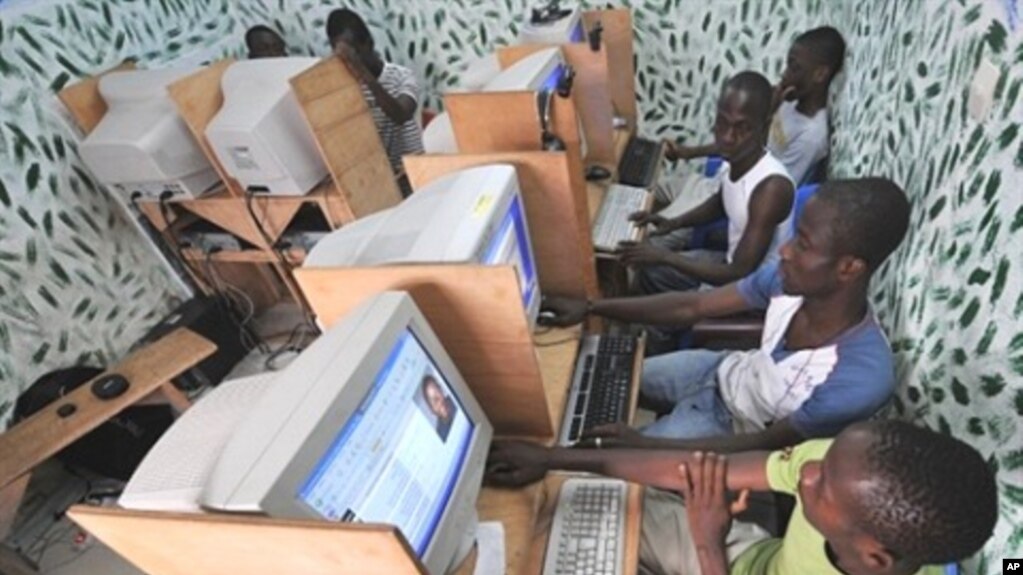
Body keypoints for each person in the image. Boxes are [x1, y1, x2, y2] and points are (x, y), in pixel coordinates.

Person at [544, 178, 910, 452]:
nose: (783, 250)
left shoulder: (860, 378)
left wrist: (643, 445)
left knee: (613, 455)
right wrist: (591, 307)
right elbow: (693, 306)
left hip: (735, 430)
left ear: (848, 268)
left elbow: (765, 446)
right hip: (719, 371)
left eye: (803, 244)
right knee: (593, 378)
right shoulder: (788, 281)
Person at [486, 420, 998, 575]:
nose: (809, 469)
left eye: (822, 485)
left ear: (874, 556)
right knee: (574, 505)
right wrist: (551, 457)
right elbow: (701, 470)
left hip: (719, 555)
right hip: (741, 556)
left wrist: (709, 544)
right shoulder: (840, 465)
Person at [623, 71, 794, 297]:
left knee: (657, 273)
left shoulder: (771, 188)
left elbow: (738, 273)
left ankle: (661, 331)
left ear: (764, 127)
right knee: (651, 271)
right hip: (732, 263)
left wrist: (666, 257)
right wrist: (673, 222)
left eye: (742, 128)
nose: (728, 137)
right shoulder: (739, 160)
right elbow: (721, 203)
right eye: (722, 123)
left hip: (751, 291)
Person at [665, 26, 846, 188]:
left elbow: (771, 191)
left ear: (820, 74)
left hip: (734, 196)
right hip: (720, 179)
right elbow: (737, 143)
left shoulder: (811, 137)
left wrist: (768, 114)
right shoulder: (788, 100)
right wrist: (687, 153)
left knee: (646, 212)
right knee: (652, 188)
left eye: (795, 68)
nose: (785, 74)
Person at [326, 8, 424, 196]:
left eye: (352, 52)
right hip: (377, 179)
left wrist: (362, 72)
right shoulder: (344, 87)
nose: (347, 61)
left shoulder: (402, 76)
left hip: (411, 175)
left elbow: (400, 115)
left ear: (369, 44)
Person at [421, 375, 455, 441]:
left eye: (438, 391)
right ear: (432, 409)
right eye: (435, 400)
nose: (440, 401)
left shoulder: (455, 398)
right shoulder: (440, 435)